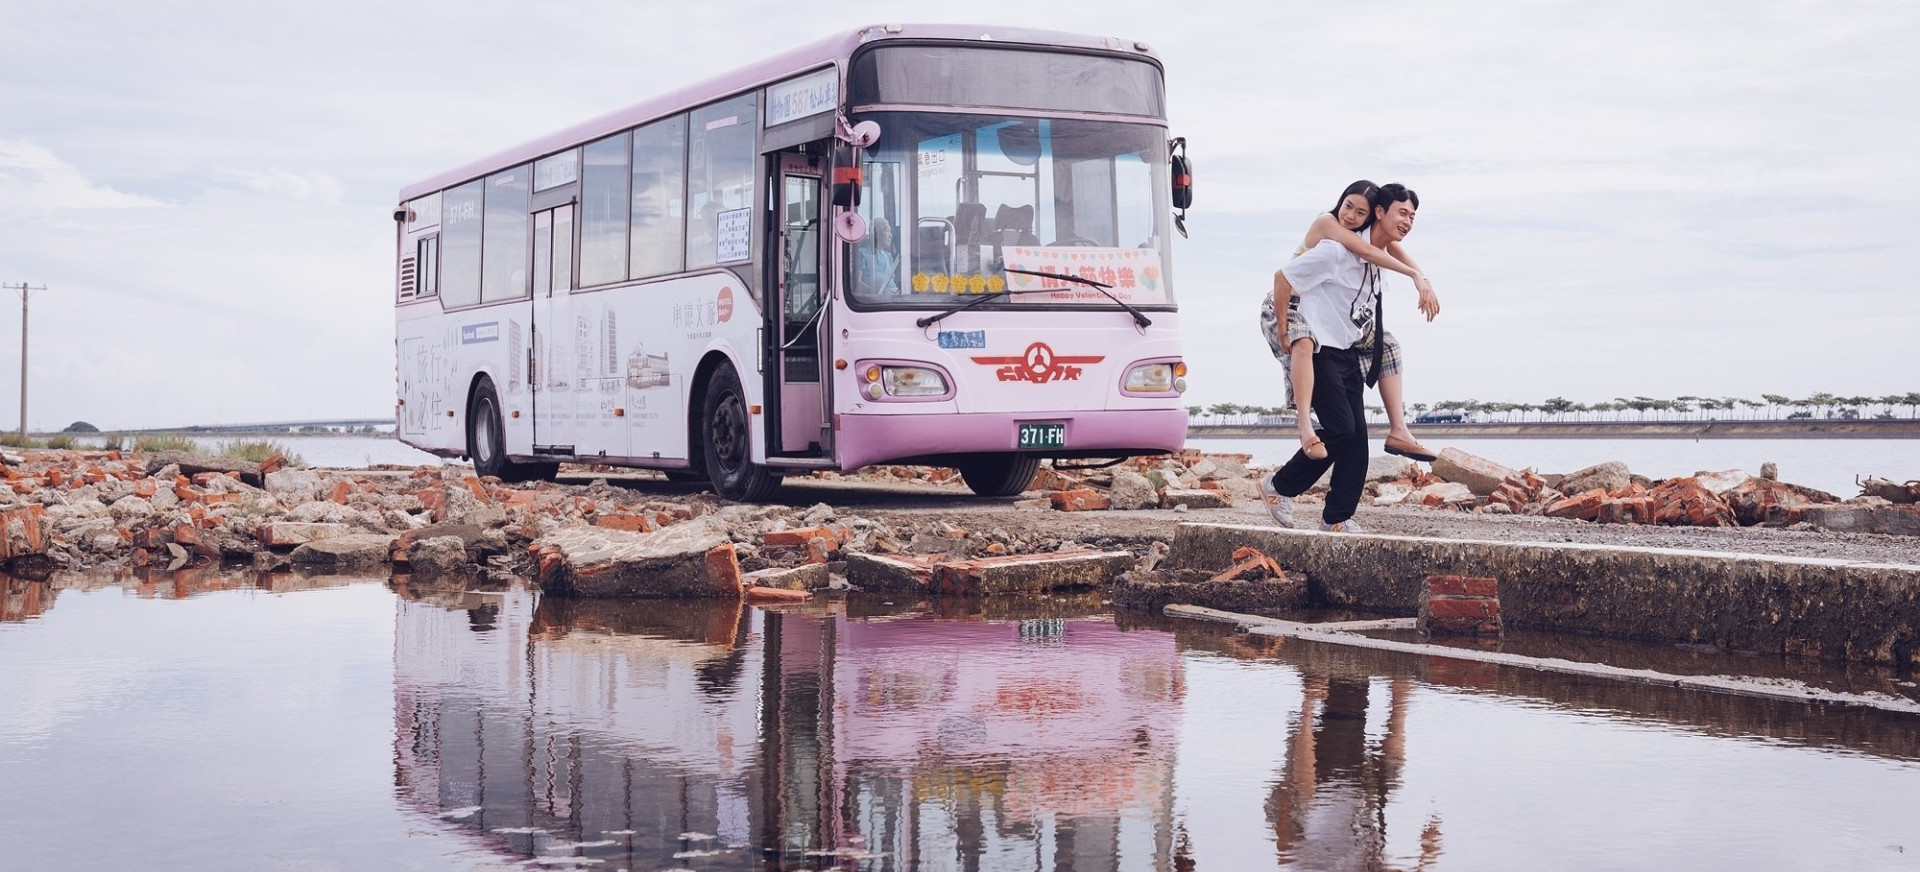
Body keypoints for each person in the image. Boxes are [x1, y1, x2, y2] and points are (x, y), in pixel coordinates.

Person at [1261, 184, 1424, 532]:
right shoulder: (1335, 251)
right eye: (1401, 213)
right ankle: (1278, 487)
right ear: (1379, 213)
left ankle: (1336, 518)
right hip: (1317, 348)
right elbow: (1283, 277)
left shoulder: (1377, 262)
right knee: (1340, 430)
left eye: (1413, 215)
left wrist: (1420, 278)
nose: (1408, 221)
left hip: (1346, 349)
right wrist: (1285, 331)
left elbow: (1385, 253)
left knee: (1357, 442)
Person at [854, 218, 900, 296]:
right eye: (887, 230)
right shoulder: (861, 254)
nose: (891, 235)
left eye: (890, 231)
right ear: (876, 233)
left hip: (894, 296)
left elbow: (892, 281)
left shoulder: (889, 257)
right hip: (875, 299)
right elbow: (856, 283)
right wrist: (878, 293)